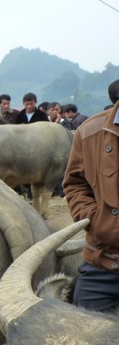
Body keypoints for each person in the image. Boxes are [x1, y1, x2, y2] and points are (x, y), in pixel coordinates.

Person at [63, 97, 119, 312]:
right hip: (101, 264)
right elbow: (74, 183)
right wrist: (95, 219)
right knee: (86, 340)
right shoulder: (89, 131)